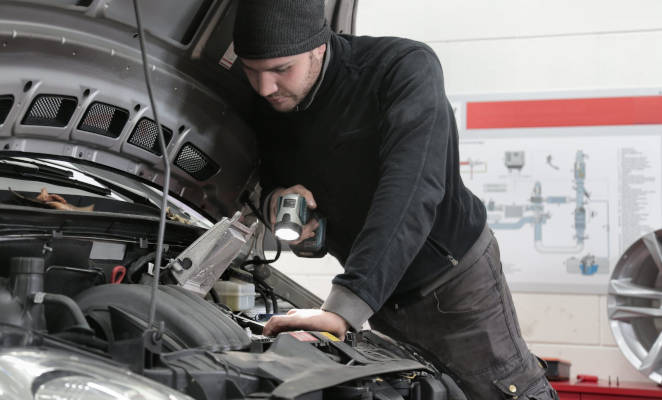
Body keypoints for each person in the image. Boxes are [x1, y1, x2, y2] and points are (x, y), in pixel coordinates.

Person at [233, 1, 557, 399]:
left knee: (504, 392)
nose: (265, 88)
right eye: (252, 71)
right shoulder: (265, 102)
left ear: (319, 46)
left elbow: (411, 191)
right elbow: (260, 174)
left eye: (281, 70)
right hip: (380, 295)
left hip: (454, 285)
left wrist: (344, 305)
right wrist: (273, 202)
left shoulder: (401, 68)